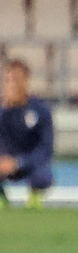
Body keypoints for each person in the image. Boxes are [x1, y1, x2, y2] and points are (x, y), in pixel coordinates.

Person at [0, 59, 54, 209]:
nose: (11, 85)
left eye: (16, 80)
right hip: (3, 162)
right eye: (7, 80)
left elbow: (46, 148)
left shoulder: (40, 110)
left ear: (25, 81)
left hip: (28, 163)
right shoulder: (2, 112)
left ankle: (34, 198)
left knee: (43, 175)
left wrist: (19, 162)